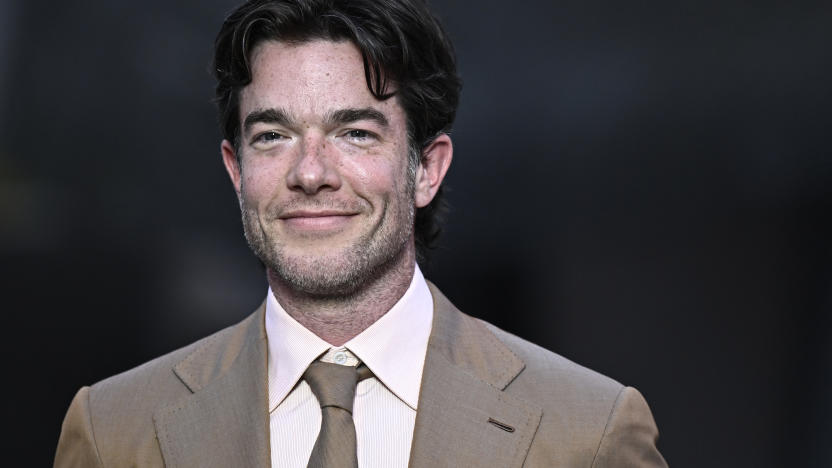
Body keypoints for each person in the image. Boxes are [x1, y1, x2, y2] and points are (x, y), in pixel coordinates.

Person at [54, 0, 667, 466]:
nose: (311, 173)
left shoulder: (588, 433)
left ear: (426, 168)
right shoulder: (114, 431)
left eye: (355, 133)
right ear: (235, 169)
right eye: (273, 135)